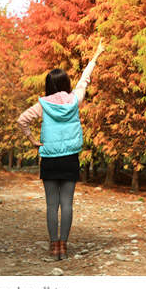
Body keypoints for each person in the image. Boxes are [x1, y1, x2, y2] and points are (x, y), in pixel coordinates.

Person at [17, 39, 106, 260]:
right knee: (67, 204)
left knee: (51, 204)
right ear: (66, 83)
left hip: (49, 158)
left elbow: (22, 120)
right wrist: (96, 55)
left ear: (49, 85)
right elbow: (85, 79)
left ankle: (53, 246)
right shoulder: (75, 99)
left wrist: (32, 140)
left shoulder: (43, 104)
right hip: (70, 158)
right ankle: (64, 247)